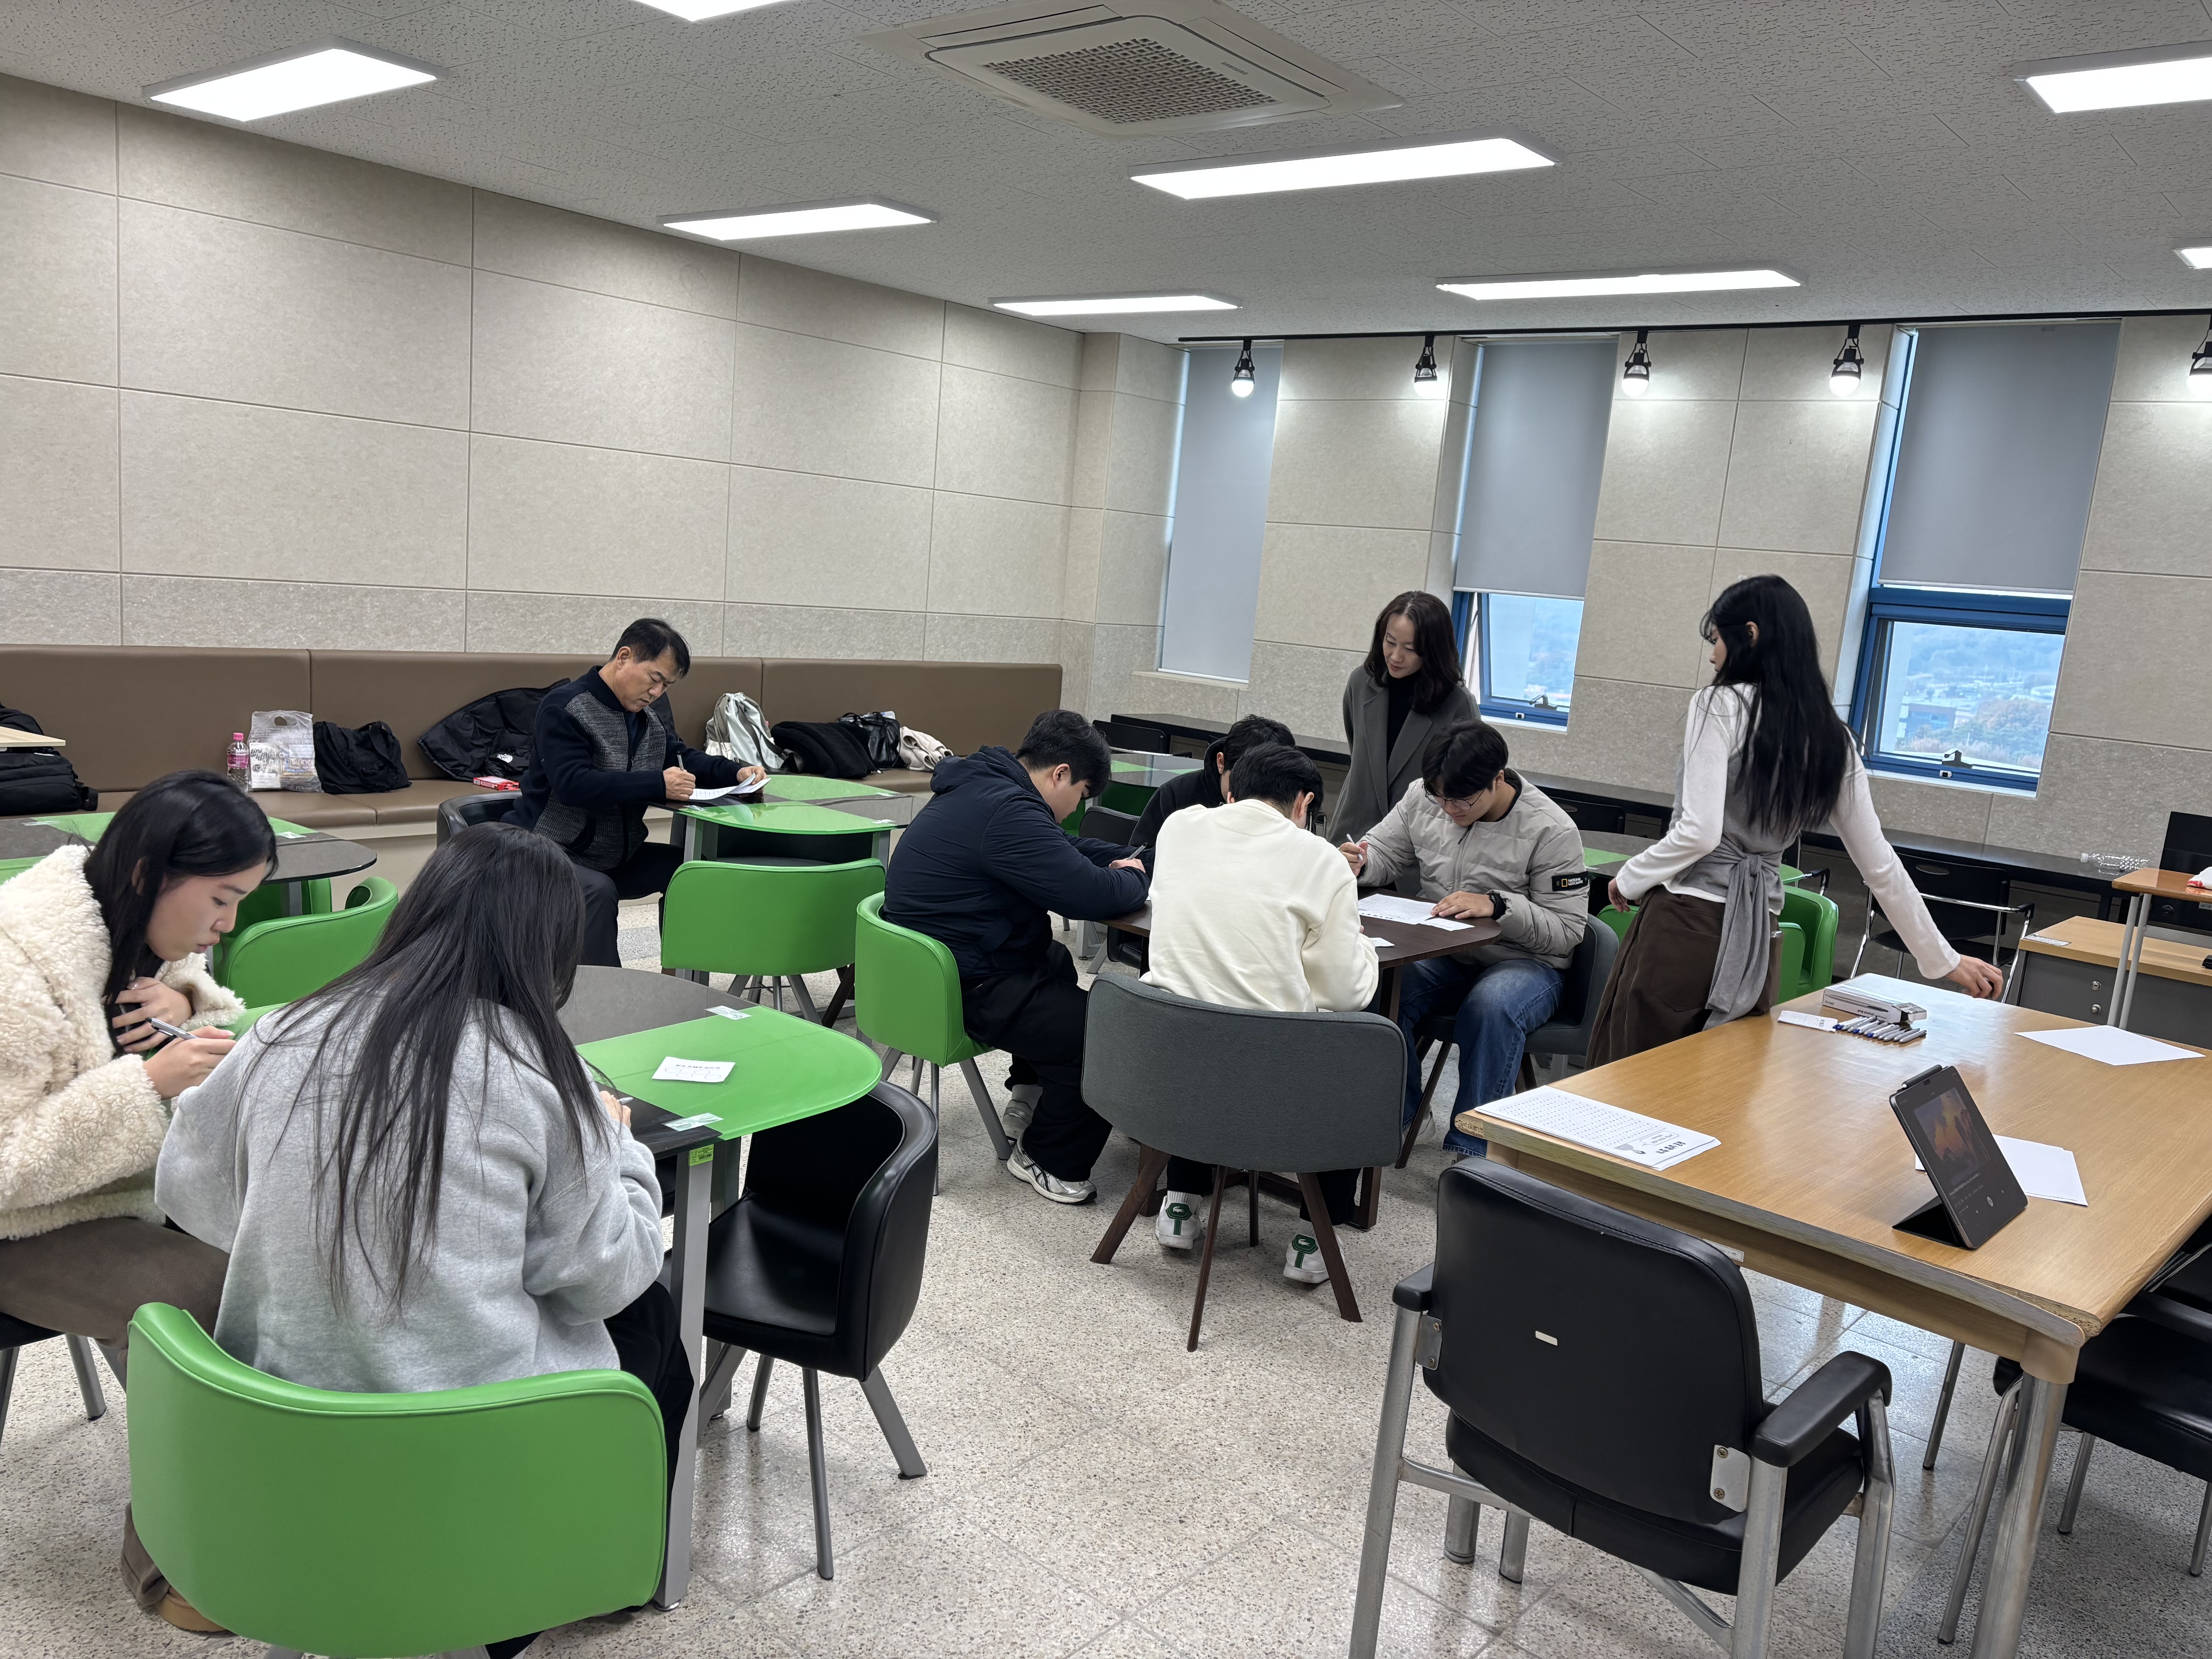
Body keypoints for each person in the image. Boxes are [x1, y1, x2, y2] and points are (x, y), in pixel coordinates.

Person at [157, 823, 688, 1659]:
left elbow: (190, 1192)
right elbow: (604, 1277)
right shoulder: (542, 1075)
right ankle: (569, 1583)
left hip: (281, 1428)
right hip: (465, 1445)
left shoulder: (280, 1033)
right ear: (547, 950)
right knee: (653, 1323)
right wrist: (619, 1146)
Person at [0, 769, 274, 1633]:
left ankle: (278, 1506)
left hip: (121, 1197)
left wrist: (188, 999)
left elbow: (211, 1013)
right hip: (24, 1223)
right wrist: (144, 1085)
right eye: (222, 899)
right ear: (150, 873)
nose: (226, 925)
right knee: (198, 1298)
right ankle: (172, 1562)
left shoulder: (134, 923)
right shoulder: (15, 963)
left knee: (287, 1249)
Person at [1589, 575, 2003, 1065]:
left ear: (1750, 634)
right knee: (1720, 1090)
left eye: (1717, 640)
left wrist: (1630, 877)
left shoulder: (1719, 704)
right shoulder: (1834, 739)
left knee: (1632, 1083)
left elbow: (1699, 832)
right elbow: (1881, 867)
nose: (1713, 656)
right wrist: (1945, 960)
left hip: (1686, 926)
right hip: (1760, 938)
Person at [883, 710, 1148, 1205]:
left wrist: (1135, 859)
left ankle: (1030, 1094)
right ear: (1061, 774)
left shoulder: (985, 787)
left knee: (1055, 961)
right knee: (1103, 1033)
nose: (1077, 808)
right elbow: (1087, 895)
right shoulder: (1008, 811)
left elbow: (1062, 849)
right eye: (1082, 795)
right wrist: (1133, 877)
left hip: (928, 970)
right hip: (966, 983)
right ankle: (1046, 1157)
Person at [1143, 742, 1379, 1283]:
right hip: (1266, 1079)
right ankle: (1314, 1237)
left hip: (1165, 1060)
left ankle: (1181, 1200)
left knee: (1209, 1012)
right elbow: (1344, 994)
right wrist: (1360, 944)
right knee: (1362, 1061)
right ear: (1305, 803)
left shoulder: (1179, 827)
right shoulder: (1321, 860)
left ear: (1232, 790)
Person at [1343, 721, 1588, 1159]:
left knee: (1491, 1006)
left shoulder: (1552, 829)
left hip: (1527, 963)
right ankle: (1402, 1117)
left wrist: (1499, 906)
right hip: (1446, 952)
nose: (1449, 809)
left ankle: (1473, 1152)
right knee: (1372, 983)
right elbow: (1384, 852)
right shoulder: (1424, 797)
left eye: (1462, 800)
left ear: (1498, 778)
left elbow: (1568, 933)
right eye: (1441, 797)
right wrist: (1361, 863)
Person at [511, 617, 764, 969]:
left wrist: (736, 771)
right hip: (548, 853)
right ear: (624, 657)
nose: (657, 693)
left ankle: (682, 978)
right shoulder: (566, 707)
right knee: (597, 892)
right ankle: (607, 997)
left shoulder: (646, 716)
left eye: (667, 686)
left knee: (690, 874)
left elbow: (680, 756)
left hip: (614, 855)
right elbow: (574, 784)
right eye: (655, 679)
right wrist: (658, 783)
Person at [1336, 591, 1478, 850]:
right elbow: (1357, 747)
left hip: (1417, 846)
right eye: (1390, 642)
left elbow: (1467, 785)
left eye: (1410, 649)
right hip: (1354, 833)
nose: (1395, 656)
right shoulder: (1361, 683)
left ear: (1433, 651)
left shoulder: (1459, 704)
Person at [1127, 714, 1295, 852]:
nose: (1249, 799)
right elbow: (1138, 858)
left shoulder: (1290, 803)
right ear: (1221, 763)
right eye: (1239, 783)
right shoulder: (1176, 795)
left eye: (1263, 790)